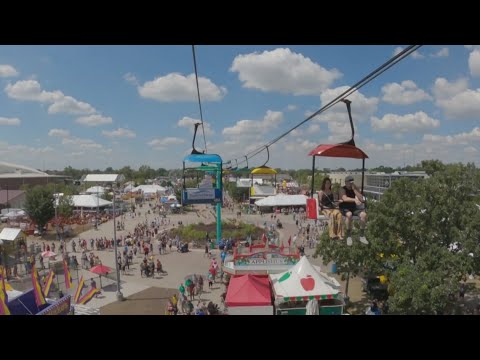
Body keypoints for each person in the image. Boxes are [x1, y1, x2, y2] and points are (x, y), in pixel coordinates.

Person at [339, 175, 368, 246]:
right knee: (349, 215)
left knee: (363, 215)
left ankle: (362, 235)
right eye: (349, 182)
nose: (350, 183)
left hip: (353, 208)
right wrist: (354, 200)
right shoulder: (342, 189)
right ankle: (348, 235)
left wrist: (355, 190)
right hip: (344, 208)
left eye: (352, 182)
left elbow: (361, 199)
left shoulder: (354, 189)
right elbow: (345, 198)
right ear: (346, 182)